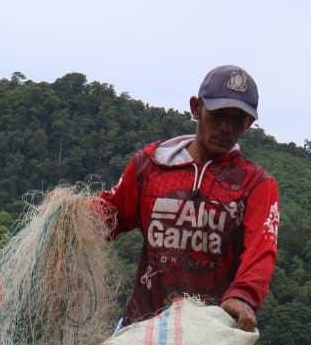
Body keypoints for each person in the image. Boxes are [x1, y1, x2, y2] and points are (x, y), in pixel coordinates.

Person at [96, 65, 281, 331]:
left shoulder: (257, 184)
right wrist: (73, 220)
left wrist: (243, 296)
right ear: (197, 108)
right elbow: (111, 214)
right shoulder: (150, 165)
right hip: (142, 326)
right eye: (218, 115)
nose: (226, 128)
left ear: (249, 124)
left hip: (213, 334)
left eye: (238, 120)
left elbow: (260, 252)